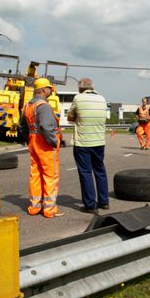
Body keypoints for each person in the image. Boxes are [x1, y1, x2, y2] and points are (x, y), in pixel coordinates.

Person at [20, 78, 63, 218]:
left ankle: (34, 206)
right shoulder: (43, 106)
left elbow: (22, 127)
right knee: (50, 175)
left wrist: (29, 139)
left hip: (33, 141)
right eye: (49, 88)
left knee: (36, 174)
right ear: (44, 90)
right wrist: (53, 142)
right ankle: (49, 209)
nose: (51, 90)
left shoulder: (28, 105)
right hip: (45, 144)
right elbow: (46, 127)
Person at [67, 78, 109, 214]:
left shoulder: (78, 98)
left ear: (80, 88)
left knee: (85, 172)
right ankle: (104, 202)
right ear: (92, 87)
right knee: (100, 171)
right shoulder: (102, 98)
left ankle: (90, 205)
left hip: (83, 142)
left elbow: (70, 117)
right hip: (99, 141)